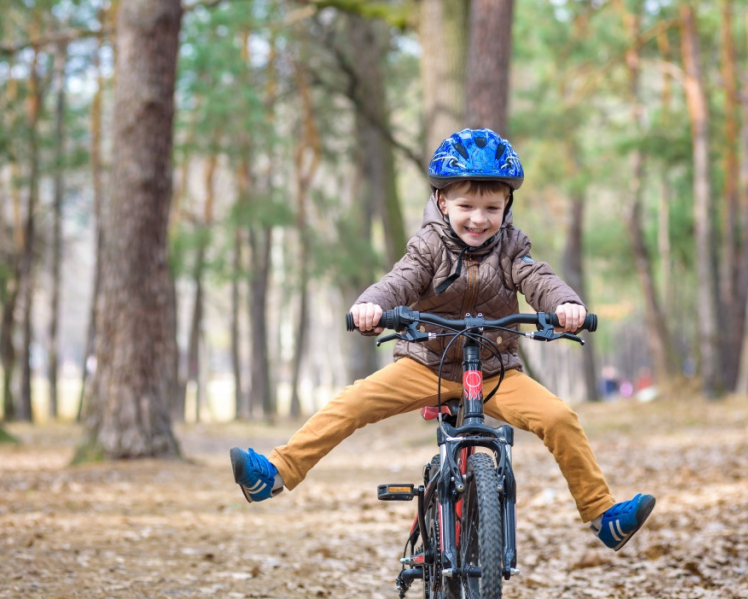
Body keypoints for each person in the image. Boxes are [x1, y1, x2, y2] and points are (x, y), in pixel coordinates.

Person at [229, 128, 654, 551]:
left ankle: (602, 515)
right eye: (466, 205)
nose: (479, 218)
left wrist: (566, 306)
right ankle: (276, 473)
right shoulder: (428, 246)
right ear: (442, 202)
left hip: (494, 372)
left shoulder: (512, 248)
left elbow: (539, 279)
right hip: (425, 365)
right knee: (351, 404)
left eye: (492, 207)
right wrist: (371, 306)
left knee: (560, 419)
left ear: (507, 204)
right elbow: (401, 280)